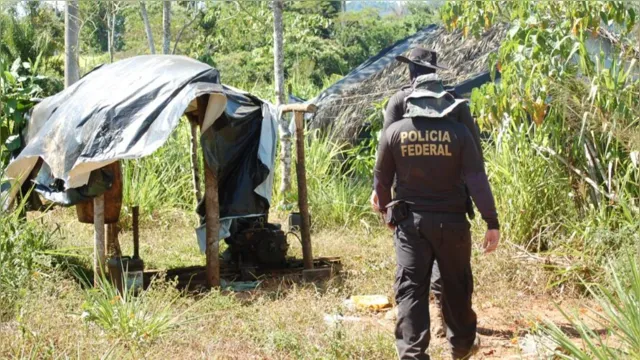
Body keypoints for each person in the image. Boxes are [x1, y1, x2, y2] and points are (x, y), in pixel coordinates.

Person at [372, 73, 500, 359]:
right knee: (456, 285)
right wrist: (491, 221)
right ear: (442, 101)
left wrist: (385, 211)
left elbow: (381, 181)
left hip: (410, 226)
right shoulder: (459, 134)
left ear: (413, 101)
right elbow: (477, 179)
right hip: (453, 225)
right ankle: (462, 347)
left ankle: (412, 353)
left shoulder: (394, 132)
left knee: (411, 290)